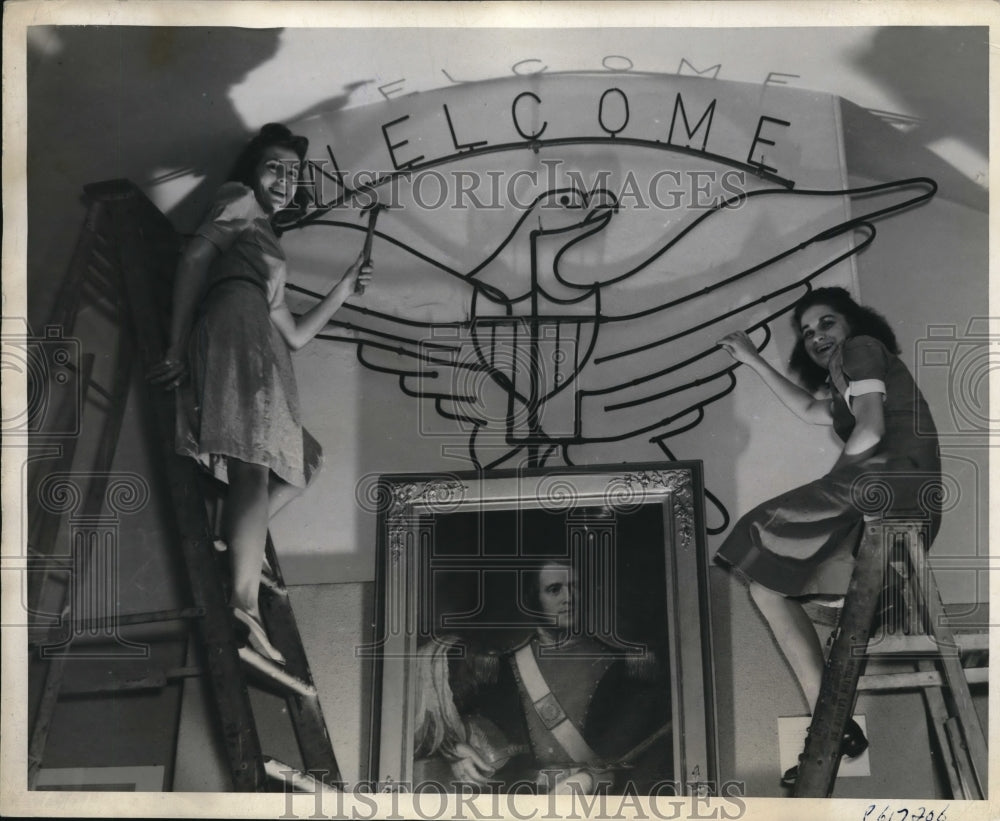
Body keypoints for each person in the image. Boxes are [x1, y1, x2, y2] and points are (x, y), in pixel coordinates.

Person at [148, 123, 371, 664]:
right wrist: (175, 348)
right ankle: (243, 607)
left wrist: (342, 289)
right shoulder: (238, 200)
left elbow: (292, 334)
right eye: (275, 166)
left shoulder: (268, 240)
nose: (285, 179)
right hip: (231, 328)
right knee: (252, 464)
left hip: (261, 343)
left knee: (306, 461)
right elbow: (195, 260)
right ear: (252, 171)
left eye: (294, 173)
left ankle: (238, 544)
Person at [715, 287, 941, 787]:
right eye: (808, 331)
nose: (817, 336)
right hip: (898, 497)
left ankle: (830, 719)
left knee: (758, 531)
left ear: (853, 324)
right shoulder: (850, 374)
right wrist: (752, 360)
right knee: (764, 586)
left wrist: (833, 487)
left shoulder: (859, 350)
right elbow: (811, 411)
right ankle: (831, 724)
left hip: (889, 487)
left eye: (827, 323)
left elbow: (872, 430)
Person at [413, 560, 672, 794]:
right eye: (554, 589)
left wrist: (587, 781)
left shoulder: (624, 666)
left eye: (575, 587)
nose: (569, 597)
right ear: (532, 598)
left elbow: (642, 748)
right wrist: (454, 749)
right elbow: (427, 713)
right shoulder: (498, 666)